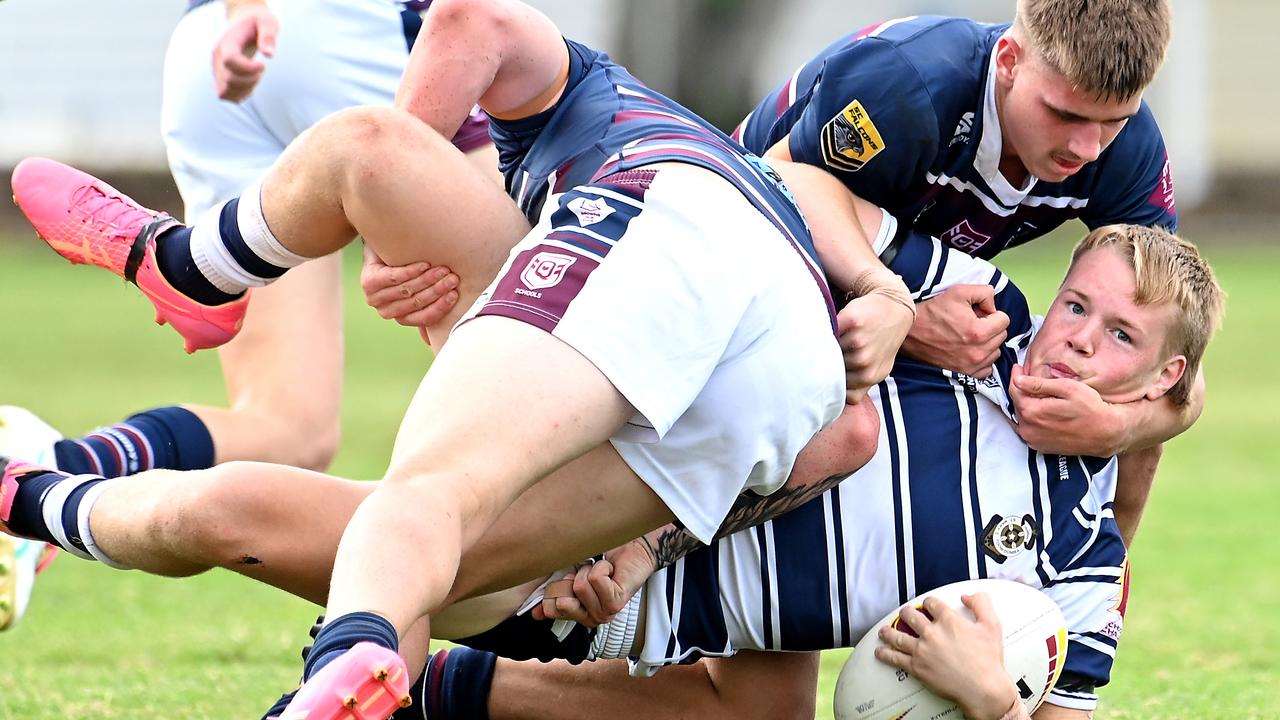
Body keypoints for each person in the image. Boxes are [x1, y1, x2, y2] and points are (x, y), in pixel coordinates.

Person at [7, 0, 918, 715]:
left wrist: (646, 546)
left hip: (582, 516)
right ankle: (64, 439)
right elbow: (842, 432)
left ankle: (344, 650)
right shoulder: (633, 152)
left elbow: (465, 24)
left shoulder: (607, 129)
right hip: (710, 390)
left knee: (383, 506)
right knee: (272, 481)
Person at [397, 221, 1224, 720]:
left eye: (1120, 336)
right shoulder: (987, 319)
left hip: (649, 604)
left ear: (1165, 382)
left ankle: (422, 685)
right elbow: (813, 201)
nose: (1076, 336)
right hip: (616, 462)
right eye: (1075, 306)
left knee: (762, 708)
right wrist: (889, 295)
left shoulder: (1083, 568)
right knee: (404, 548)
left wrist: (996, 700)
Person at [0, 0, 484, 632]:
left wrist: (246, 10)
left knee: (286, 425)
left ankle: (45, 465)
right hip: (364, 32)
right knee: (529, 309)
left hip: (217, 50)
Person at [732, 0, 1187, 547]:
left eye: (1113, 120)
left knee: (1137, 399)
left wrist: (1116, 427)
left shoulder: (1128, 148)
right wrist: (901, 309)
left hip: (894, 275)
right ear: (1010, 62)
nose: (1086, 149)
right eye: (1064, 115)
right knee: (843, 424)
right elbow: (778, 186)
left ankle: (1089, 606)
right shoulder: (910, 81)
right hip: (758, 253)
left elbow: (1179, 361)